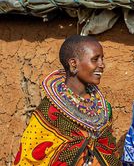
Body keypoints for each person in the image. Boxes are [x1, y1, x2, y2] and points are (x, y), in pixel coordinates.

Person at [14, 35, 121, 166]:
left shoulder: (104, 109)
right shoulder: (50, 111)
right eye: (95, 59)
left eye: (102, 59)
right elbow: (29, 158)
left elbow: (109, 152)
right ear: (73, 63)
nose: (102, 65)